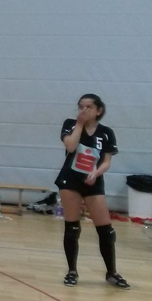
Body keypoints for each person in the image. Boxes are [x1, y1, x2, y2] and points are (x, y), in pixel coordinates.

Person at [55, 94, 130, 289]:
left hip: (93, 181)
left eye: (89, 107)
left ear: (99, 110)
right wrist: (80, 124)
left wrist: (96, 173)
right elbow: (70, 146)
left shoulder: (106, 133)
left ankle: (111, 273)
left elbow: (106, 161)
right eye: (81, 106)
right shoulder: (70, 124)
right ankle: (72, 271)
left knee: (106, 230)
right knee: (72, 227)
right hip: (70, 180)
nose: (84, 110)